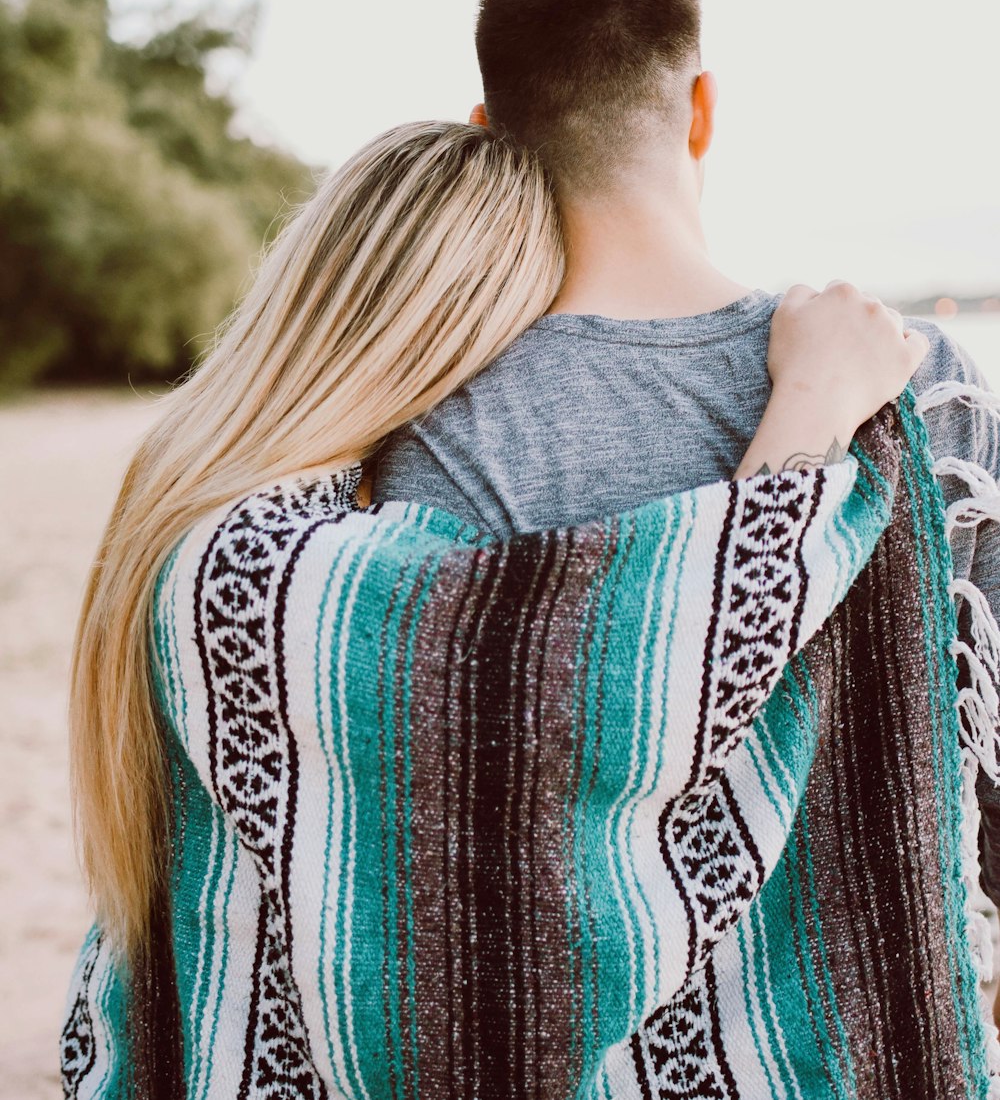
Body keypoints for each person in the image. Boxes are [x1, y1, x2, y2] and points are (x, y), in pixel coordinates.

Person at [61, 118, 926, 1098]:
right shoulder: (270, 563)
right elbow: (620, 674)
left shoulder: (197, 502)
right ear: (457, 322)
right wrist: (817, 397)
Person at [370, 0, 1000, 906]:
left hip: (598, 1039)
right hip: (879, 1014)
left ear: (488, 128)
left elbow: (462, 803)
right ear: (702, 108)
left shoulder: (441, 429)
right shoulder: (921, 377)